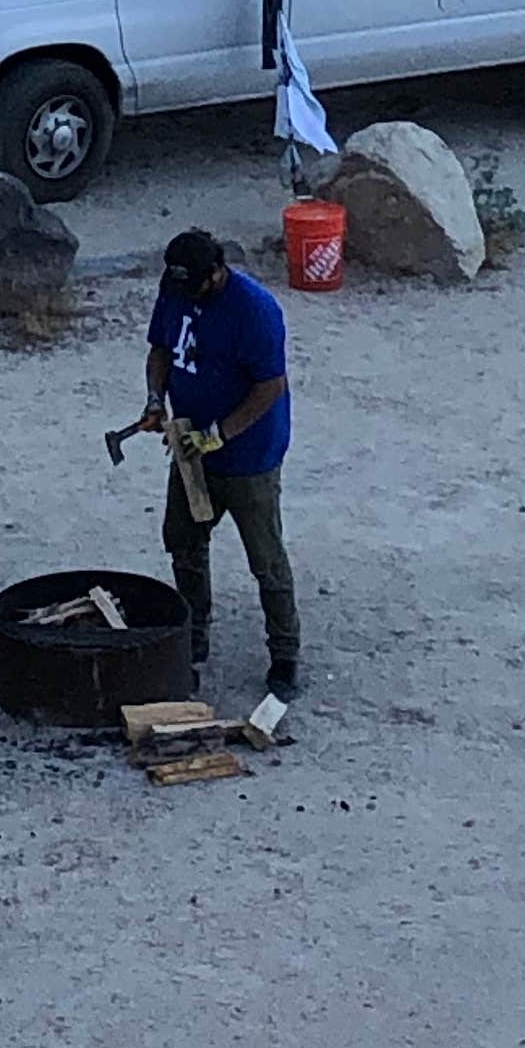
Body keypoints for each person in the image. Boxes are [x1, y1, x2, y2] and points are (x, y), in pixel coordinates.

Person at [143, 225, 299, 696]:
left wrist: (220, 434)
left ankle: (285, 655)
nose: (185, 295)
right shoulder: (175, 290)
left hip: (250, 456)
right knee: (184, 542)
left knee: (265, 559)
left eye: (195, 286)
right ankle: (193, 640)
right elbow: (160, 350)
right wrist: (156, 400)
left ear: (217, 272)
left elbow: (270, 386)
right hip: (191, 446)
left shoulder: (255, 310)